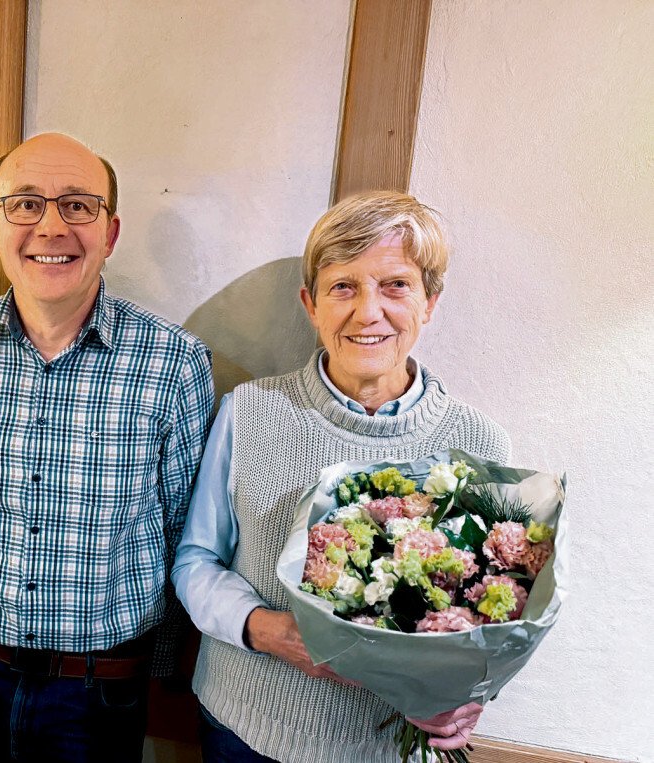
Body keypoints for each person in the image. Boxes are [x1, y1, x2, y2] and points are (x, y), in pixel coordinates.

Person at [172, 191, 510, 762]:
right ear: (311, 304)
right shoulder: (250, 411)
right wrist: (268, 630)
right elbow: (195, 561)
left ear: (430, 301)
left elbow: (492, 611)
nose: (367, 311)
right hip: (242, 729)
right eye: (343, 286)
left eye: (395, 284)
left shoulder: (479, 446)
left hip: (382, 748)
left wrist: (467, 696)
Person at [0, 132, 214, 762]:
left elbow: (184, 530)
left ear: (111, 231)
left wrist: (162, 670)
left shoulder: (174, 361)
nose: (51, 226)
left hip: (98, 696)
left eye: (78, 205)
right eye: (26, 204)